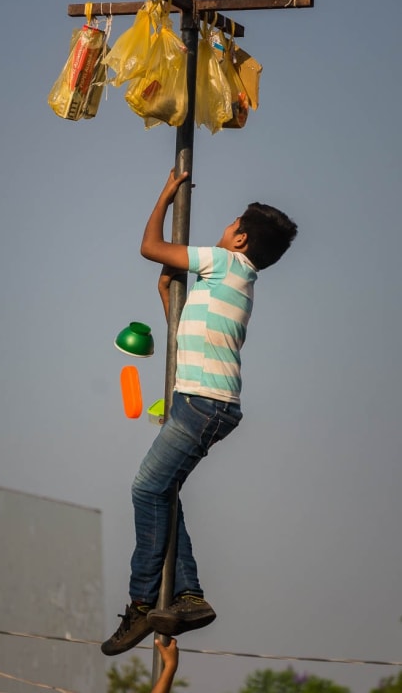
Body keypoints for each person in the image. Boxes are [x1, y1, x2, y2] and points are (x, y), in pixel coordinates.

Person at [101, 168, 298, 656]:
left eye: (232, 223)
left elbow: (150, 245)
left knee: (146, 488)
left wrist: (166, 196)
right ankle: (189, 597)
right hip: (208, 402)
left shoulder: (225, 263)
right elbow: (178, 316)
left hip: (202, 402)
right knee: (164, 492)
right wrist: (169, 284)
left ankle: (142, 602)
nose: (225, 227)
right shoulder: (237, 278)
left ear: (240, 238)